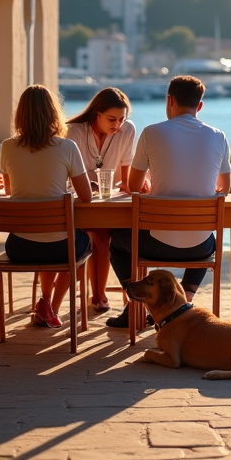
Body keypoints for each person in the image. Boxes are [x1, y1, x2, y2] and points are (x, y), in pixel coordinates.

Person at [105, 75, 231, 329]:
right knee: (209, 240)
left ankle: (137, 304)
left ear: (169, 100)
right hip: (198, 248)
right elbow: (224, 189)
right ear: (200, 105)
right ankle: (184, 300)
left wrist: (152, 185)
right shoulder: (218, 136)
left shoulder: (152, 133)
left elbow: (133, 186)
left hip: (155, 244)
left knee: (117, 243)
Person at [0, 85, 93, 328]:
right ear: (54, 113)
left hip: (20, 247)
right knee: (77, 241)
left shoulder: (7, 146)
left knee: (50, 238)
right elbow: (86, 196)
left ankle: (45, 303)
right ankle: (52, 307)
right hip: (59, 248)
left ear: (20, 115)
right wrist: (63, 193)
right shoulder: (67, 147)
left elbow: (9, 191)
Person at [65, 87, 137, 312]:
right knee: (99, 232)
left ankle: (100, 295)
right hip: (79, 203)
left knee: (103, 231)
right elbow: (66, 177)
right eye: (112, 119)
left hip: (109, 202)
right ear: (97, 113)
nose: (118, 125)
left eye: (122, 119)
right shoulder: (75, 131)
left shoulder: (127, 131)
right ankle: (98, 296)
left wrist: (139, 183)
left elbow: (126, 180)